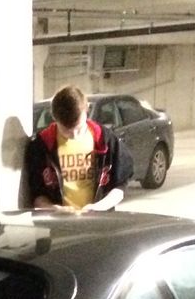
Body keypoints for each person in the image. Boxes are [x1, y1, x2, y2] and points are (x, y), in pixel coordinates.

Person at [25, 85, 132, 213]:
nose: (74, 135)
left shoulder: (105, 140)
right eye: (66, 131)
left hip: (100, 223)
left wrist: (100, 206)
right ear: (54, 117)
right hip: (59, 225)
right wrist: (54, 209)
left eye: (79, 128)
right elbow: (36, 194)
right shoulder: (41, 146)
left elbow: (120, 185)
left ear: (87, 109)